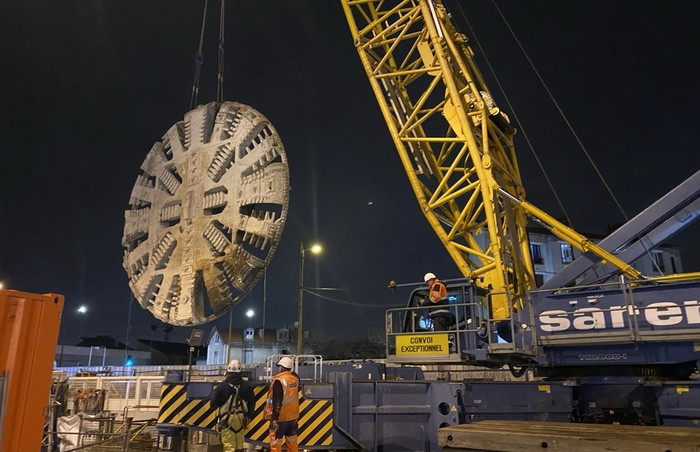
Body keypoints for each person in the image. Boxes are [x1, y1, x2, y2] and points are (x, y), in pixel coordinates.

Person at [210, 359, 255, 452]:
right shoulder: (247, 386)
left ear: (228, 371)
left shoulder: (221, 387)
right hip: (241, 420)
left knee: (229, 447)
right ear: (240, 371)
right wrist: (249, 416)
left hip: (227, 421)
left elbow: (213, 404)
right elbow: (252, 403)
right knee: (239, 447)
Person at [263, 356, 300, 452]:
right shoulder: (295, 379)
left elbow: (277, 401)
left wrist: (274, 418)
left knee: (276, 444)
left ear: (282, 367)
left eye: (280, 366)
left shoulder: (279, 381)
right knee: (292, 444)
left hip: (280, 418)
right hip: (293, 418)